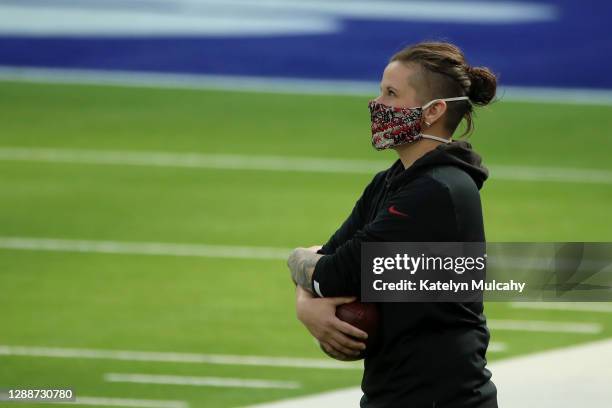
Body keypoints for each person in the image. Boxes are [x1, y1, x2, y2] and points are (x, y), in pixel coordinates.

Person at [287, 41, 498, 407]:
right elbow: (332, 257)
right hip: (395, 394)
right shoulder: (390, 181)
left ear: (432, 112)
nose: (377, 104)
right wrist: (306, 299)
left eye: (391, 93)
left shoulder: (435, 191)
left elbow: (333, 273)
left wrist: (300, 269)